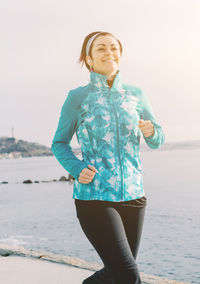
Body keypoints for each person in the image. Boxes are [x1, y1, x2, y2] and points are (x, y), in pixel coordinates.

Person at [51, 31, 165, 284]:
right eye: (101, 48)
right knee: (128, 275)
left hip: (134, 196)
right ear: (89, 60)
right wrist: (76, 167)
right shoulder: (77, 97)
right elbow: (59, 143)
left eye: (113, 48)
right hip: (94, 197)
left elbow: (158, 139)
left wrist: (151, 131)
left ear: (120, 55)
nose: (108, 52)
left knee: (117, 273)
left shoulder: (136, 94)